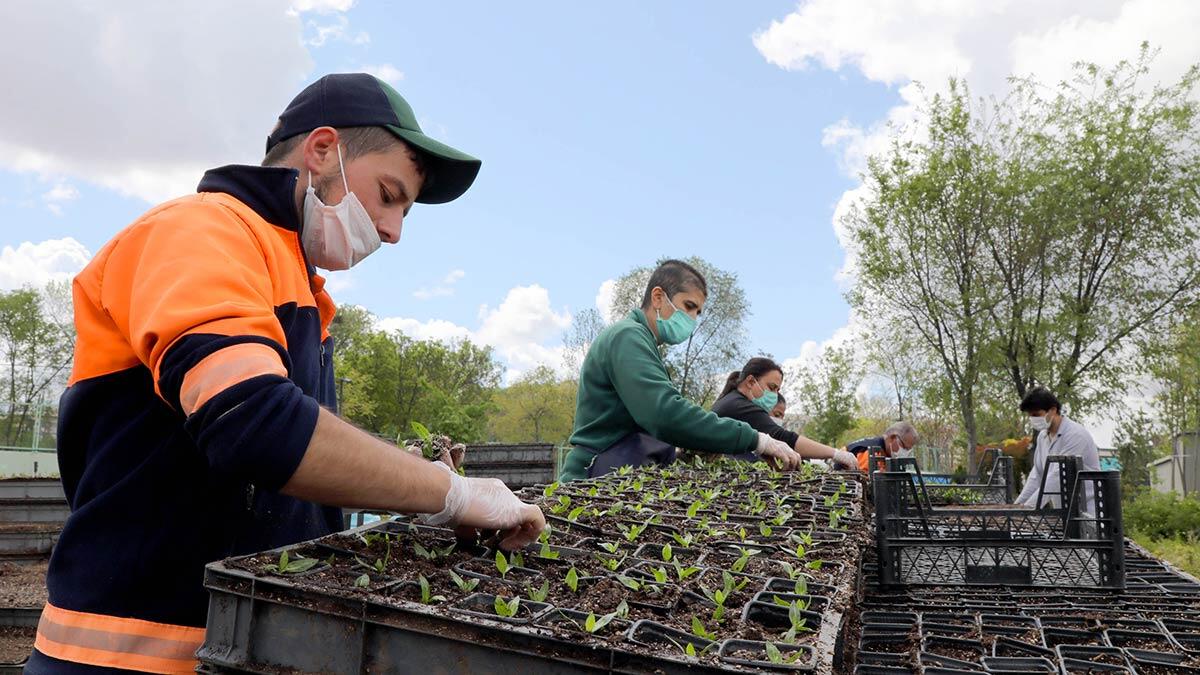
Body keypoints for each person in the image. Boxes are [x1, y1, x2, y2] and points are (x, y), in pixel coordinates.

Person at [32, 74, 545, 674]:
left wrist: (389, 487)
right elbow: (255, 425)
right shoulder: (200, 232)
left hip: (234, 643)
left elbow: (272, 476)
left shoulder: (295, 285)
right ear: (323, 151)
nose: (393, 230)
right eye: (388, 194)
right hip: (128, 652)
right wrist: (450, 494)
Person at [560, 260, 802, 481]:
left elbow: (640, 424)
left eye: (697, 313)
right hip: (591, 476)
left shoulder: (643, 343)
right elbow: (664, 413)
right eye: (688, 306)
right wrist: (756, 439)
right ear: (657, 297)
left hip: (611, 472)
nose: (691, 320)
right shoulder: (628, 337)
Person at [711, 358, 857, 469]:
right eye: (771, 387)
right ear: (750, 381)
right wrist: (835, 453)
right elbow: (783, 437)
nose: (774, 395)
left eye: (777, 390)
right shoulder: (739, 405)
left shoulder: (732, 400)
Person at [1015, 387, 1100, 511]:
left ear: (1053, 410)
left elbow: (1056, 477)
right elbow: (1037, 476)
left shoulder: (1075, 435)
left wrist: (1028, 509)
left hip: (1087, 513)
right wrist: (1017, 507)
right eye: (1030, 415)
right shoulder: (1043, 437)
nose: (1033, 419)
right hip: (1064, 513)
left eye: (1036, 414)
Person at [846, 421, 919, 472]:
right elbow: (863, 481)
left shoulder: (886, 453)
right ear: (892, 438)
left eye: (909, 449)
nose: (905, 452)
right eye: (904, 447)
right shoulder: (870, 452)